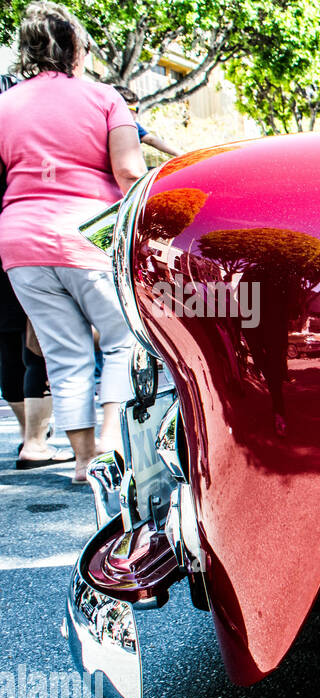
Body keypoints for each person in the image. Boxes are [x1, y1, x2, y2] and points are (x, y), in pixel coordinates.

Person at [0, 2, 146, 483]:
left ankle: (82, 460)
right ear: (77, 48)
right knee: (123, 338)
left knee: (64, 353)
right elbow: (129, 172)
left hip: (21, 243)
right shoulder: (104, 98)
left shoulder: (6, 104)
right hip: (86, 237)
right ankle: (108, 445)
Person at [0, 68, 66, 468]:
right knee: (36, 342)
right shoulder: (18, 141)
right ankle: (35, 442)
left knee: (7, 346)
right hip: (20, 244)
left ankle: (32, 435)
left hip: (11, 245)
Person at [114, 86, 182, 158]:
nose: (137, 113)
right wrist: (181, 154)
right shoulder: (130, 125)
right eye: (135, 109)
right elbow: (151, 140)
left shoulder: (104, 123)